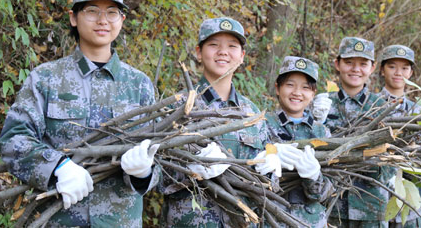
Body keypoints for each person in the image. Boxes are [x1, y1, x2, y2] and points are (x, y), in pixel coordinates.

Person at [0, 0, 161, 227]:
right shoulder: (46, 79)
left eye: (112, 12)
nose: (103, 20)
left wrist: (145, 172)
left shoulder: (139, 84)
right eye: (92, 11)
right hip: (58, 220)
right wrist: (56, 167)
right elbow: (13, 140)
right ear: (73, 17)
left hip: (120, 221)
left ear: (122, 20)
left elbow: (163, 155)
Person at [160, 17, 266, 227]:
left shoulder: (252, 113)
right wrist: (190, 169)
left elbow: (264, 177)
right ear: (199, 52)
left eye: (232, 46)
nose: (223, 52)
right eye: (214, 45)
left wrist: (271, 164)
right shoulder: (177, 108)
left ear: (242, 56)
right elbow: (156, 176)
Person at [319, 37, 392, 228]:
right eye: (349, 62)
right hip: (332, 205)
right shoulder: (323, 104)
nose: (355, 69)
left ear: (373, 67)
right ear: (337, 64)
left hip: (371, 205)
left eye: (363, 64)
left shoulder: (382, 107)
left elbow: (392, 157)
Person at [255, 56, 333, 227]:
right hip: (271, 219)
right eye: (290, 85)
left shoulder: (321, 132)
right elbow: (251, 180)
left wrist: (314, 177)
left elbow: (330, 191)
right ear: (277, 88)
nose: (297, 92)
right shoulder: (261, 125)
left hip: (311, 222)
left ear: (313, 93)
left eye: (305, 87)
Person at [378, 45, 421, 228]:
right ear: (382, 70)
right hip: (376, 199)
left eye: (404, 68)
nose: (398, 73)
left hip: (410, 202)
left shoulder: (420, 110)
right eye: (392, 66)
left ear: (411, 72)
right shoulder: (370, 104)